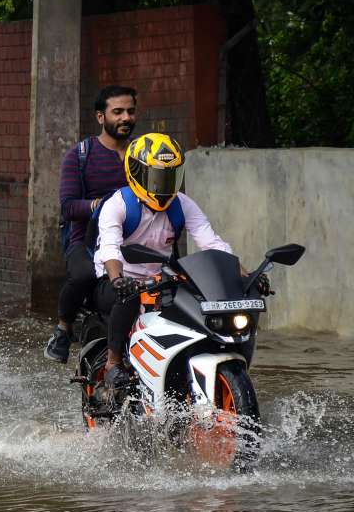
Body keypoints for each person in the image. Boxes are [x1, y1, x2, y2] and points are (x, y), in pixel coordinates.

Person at [94, 132, 263, 396]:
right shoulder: (117, 205)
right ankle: (114, 362)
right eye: (158, 177)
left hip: (161, 277)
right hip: (116, 279)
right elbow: (110, 249)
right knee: (127, 300)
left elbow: (211, 243)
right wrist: (118, 279)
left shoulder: (182, 204)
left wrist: (244, 275)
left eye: (171, 176)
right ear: (137, 173)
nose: (165, 185)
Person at [44, 85, 138, 363]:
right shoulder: (80, 155)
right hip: (86, 240)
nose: (125, 118)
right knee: (83, 276)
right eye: (117, 112)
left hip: (136, 239)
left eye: (130, 111)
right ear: (100, 117)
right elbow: (68, 206)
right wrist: (100, 205)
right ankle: (63, 329)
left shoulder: (144, 153)